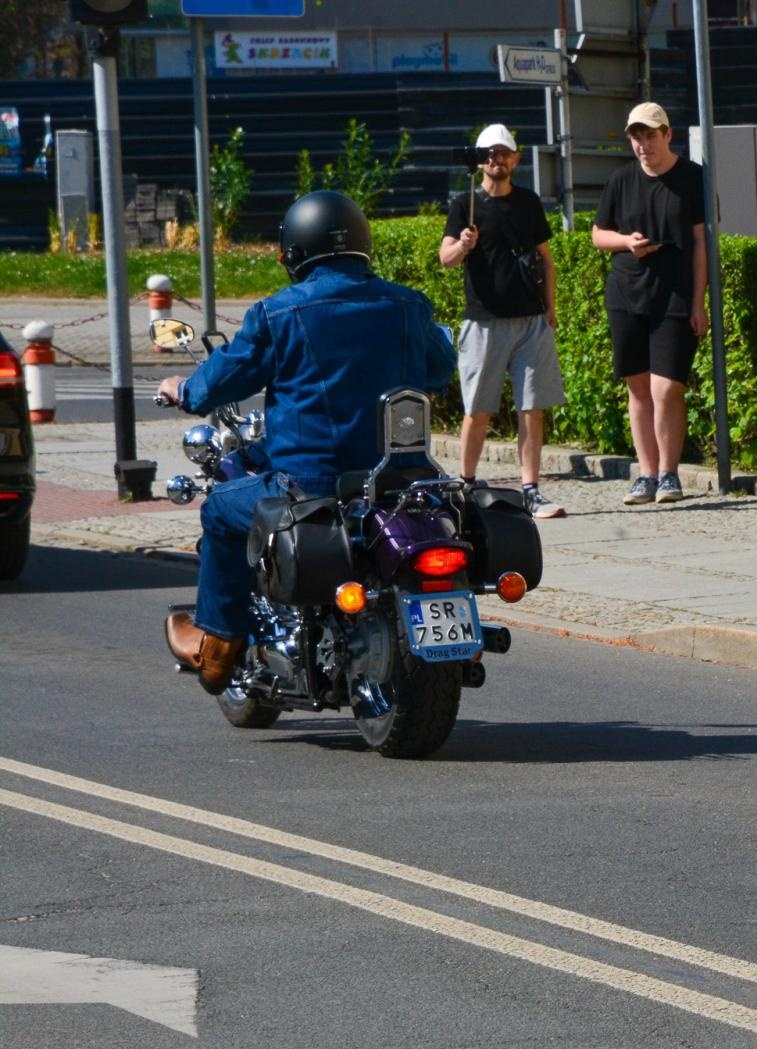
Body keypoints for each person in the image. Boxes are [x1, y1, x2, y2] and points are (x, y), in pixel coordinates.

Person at [158, 190, 456, 694]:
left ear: (294, 251)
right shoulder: (407, 304)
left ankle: (217, 646)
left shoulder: (278, 313)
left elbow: (223, 379)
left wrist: (183, 388)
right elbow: (442, 369)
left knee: (219, 511)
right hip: (399, 477)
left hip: (310, 481)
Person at [440, 122, 566, 519]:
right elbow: (445, 258)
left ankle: (531, 488)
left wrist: (550, 309)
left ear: (515, 159)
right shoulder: (465, 204)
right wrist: (463, 244)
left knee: (532, 408)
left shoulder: (528, 202)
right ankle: (467, 483)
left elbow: (545, 257)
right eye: (490, 154)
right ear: (481, 161)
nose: (497, 160)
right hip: (484, 321)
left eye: (504, 153)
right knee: (478, 409)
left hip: (531, 319)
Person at [590, 102, 709, 506]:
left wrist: (699, 301)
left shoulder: (692, 177)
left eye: (650, 135)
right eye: (636, 136)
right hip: (626, 294)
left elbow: (700, 245)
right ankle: (645, 474)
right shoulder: (620, 180)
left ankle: (669, 473)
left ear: (667, 135)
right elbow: (598, 235)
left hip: (674, 297)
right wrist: (627, 243)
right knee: (638, 388)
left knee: (667, 388)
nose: (643, 144)